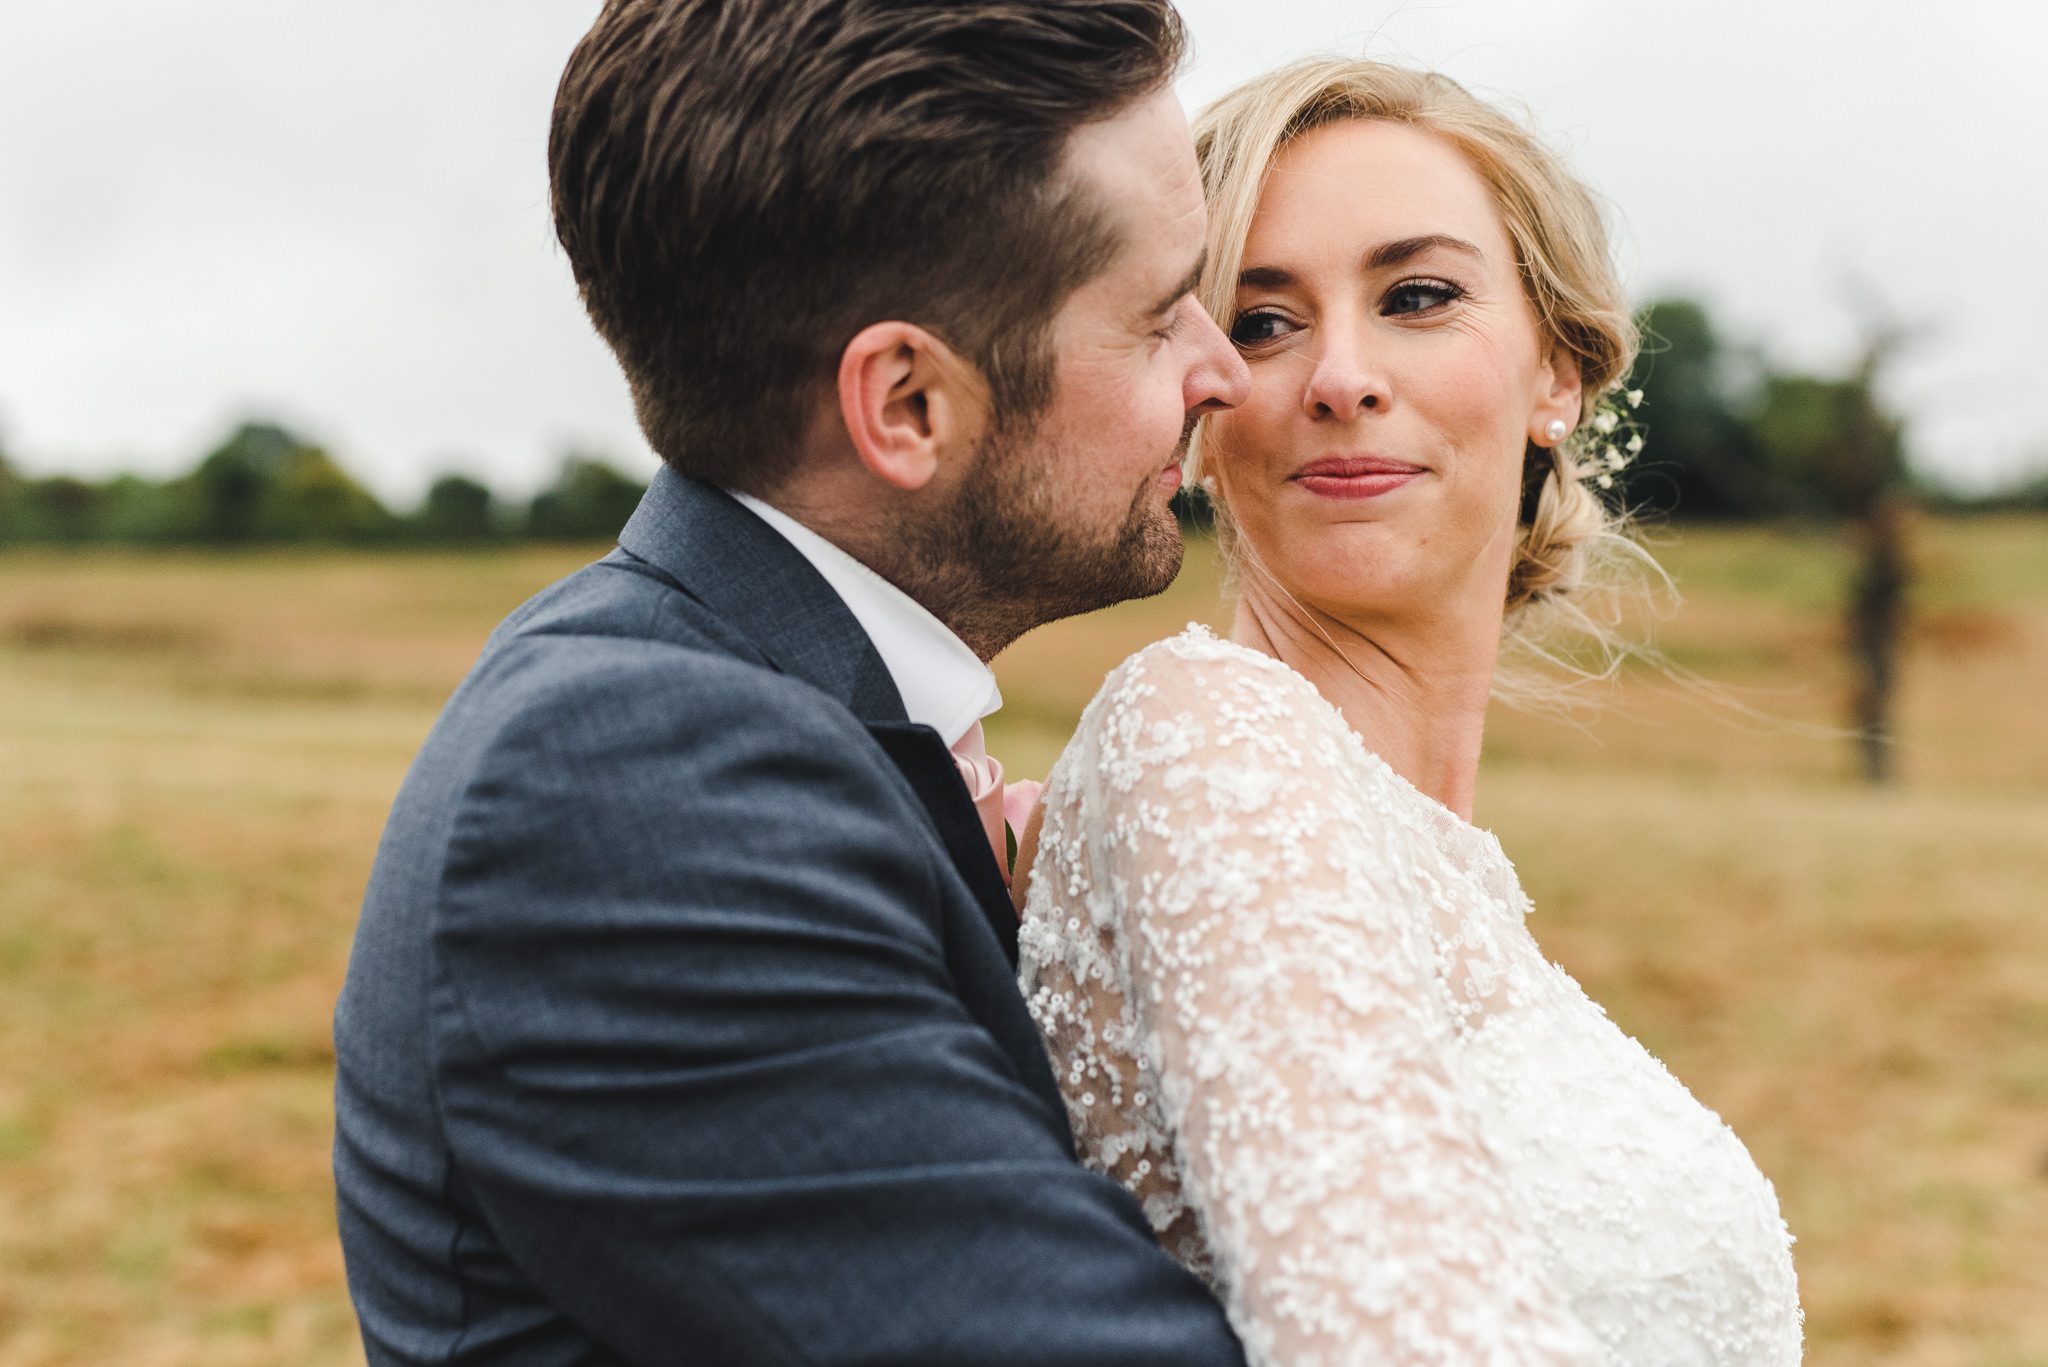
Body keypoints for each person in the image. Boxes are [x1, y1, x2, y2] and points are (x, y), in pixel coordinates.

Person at [330, 2, 1256, 1362]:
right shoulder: (628, 788)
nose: (1223, 371)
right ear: (907, 407)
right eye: (1158, 314)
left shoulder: (761, 712)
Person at [1015, 58, 1804, 1364]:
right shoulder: (1209, 738)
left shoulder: (1443, 876)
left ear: (1559, 369)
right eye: (1261, 323)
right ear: (1200, 403)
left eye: (1418, 297)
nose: (1340, 376)